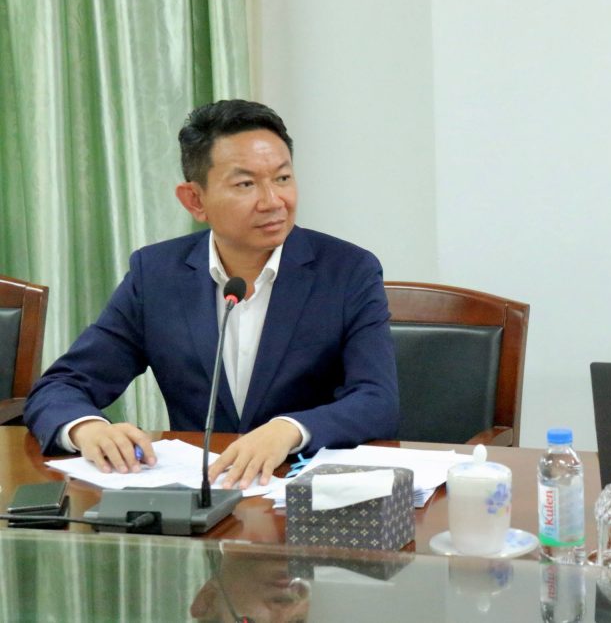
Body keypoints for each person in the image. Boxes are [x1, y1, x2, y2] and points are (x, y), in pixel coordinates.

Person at [25, 99, 399, 488]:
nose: (273, 201)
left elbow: (378, 401)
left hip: (304, 497)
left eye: (282, 178)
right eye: (245, 184)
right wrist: (87, 428)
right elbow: (60, 386)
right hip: (199, 497)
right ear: (195, 200)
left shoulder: (347, 271)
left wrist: (290, 429)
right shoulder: (157, 275)